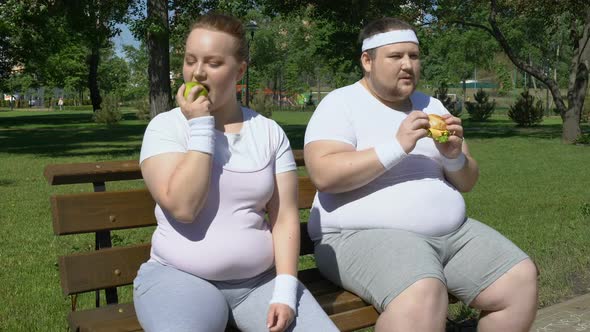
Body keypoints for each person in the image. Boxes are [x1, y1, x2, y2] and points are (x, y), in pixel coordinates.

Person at [304, 17, 538, 332]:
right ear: (367, 60)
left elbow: (467, 181)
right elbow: (324, 174)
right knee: (423, 295)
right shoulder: (341, 104)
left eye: (413, 56)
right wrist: (397, 146)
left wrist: (454, 158)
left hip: (452, 235)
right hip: (360, 235)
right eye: (396, 56)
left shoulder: (433, 105)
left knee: (520, 280)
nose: (408, 65)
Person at [133, 13, 338, 332]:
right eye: (190, 60)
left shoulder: (269, 132)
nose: (197, 73)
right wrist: (201, 124)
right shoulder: (166, 127)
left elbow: (283, 217)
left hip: (258, 284)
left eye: (213, 63)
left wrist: (284, 291)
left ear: (239, 70)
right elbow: (183, 207)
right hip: (178, 278)